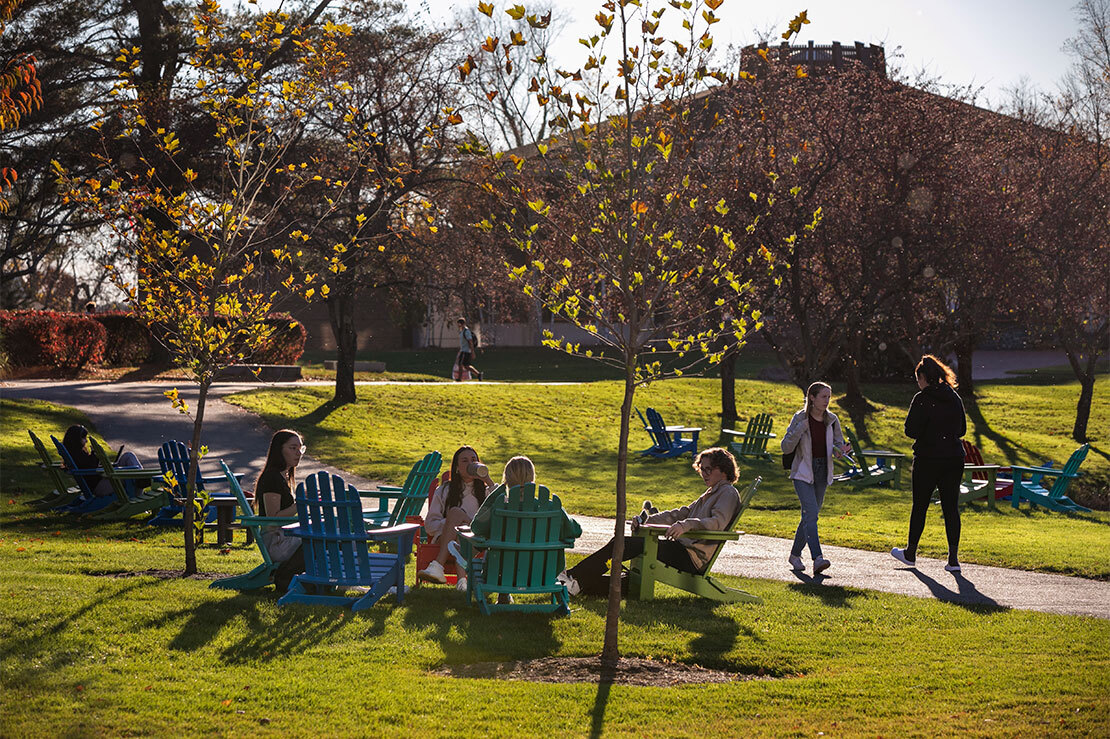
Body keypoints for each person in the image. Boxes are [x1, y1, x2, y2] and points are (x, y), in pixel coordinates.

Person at [557, 447, 742, 597]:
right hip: (682, 550)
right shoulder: (710, 493)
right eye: (702, 469)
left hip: (691, 557)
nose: (704, 473)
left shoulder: (727, 493)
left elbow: (717, 522)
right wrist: (647, 521)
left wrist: (687, 525)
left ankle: (574, 577)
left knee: (624, 544)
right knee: (631, 580)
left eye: (709, 469)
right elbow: (680, 513)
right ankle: (579, 584)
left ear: (724, 470)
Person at [892, 355, 967, 572]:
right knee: (951, 507)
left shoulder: (922, 398)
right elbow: (961, 430)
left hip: (927, 458)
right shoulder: (954, 397)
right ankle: (953, 559)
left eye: (918, 379)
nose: (918, 384)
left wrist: (927, 429)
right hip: (953, 458)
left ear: (923, 377)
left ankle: (910, 553)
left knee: (920, 505)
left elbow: (910, 430)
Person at [780, 381, 849, 575]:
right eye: (823, 396)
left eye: (829, 396)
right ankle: (817, 558)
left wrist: (841, 451)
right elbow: (785, 447)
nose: (827, 400)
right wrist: (800, 429)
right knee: (811, 513)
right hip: (803, 471)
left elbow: (837, 446)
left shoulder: (832, 419)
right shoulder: (800, 418)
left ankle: (795, 555)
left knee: (810, 516)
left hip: (822, 471)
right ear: (812, 397)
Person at [418, 445, 495, 589]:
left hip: (476, 539)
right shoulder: (444, 490)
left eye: (473, 460)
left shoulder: (485, 492)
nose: (470, 464)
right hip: (447, 538)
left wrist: (488, 481)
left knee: (459, 523)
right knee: (457, 522)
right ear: (457, 467)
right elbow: (429, 525)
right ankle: (462, 582)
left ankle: (438, 566)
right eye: (465, 461)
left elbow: (503, 504)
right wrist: (452, 525)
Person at [255, 429, 306, 593]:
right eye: (293, 448)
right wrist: (300, 504)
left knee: (330, 533)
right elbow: (272, 519)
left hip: (287, 537)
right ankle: (290, 578)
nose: (298, 453)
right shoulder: (272, 478)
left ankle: (336, 581)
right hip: (277, 542)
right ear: (279, 450)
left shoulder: (284, 477)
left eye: (300, 448)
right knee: (322, 538)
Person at [61, 424, 142, 498]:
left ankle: (142, 478)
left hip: (101, 482)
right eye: (84, 438)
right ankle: (141, 483)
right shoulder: (77, 455)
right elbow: (91, 467)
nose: (86, 441)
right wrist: (94, 453)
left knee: (128, 456)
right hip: (100, 487)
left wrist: (105, 465)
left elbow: (90, 467)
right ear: (76, 439)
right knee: (130, 469)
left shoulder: (76, 453)